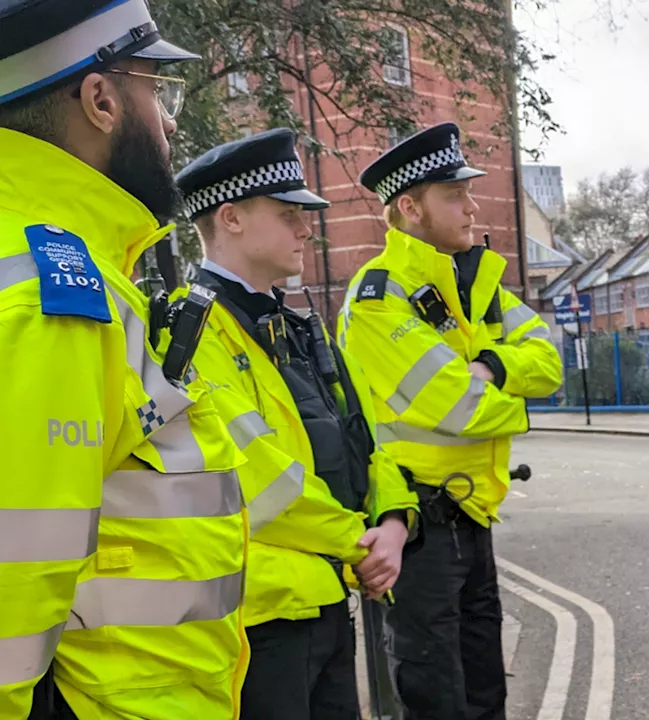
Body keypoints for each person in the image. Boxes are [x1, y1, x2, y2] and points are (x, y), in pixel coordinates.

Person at [0, 1, 253, 718]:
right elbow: (11, 594)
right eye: (158, 90)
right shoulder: (55, 292)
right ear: (101, 99)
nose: (170, 123)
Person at [172, 128, 422, 719]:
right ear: (230, 218)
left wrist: (393, 520)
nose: (307, 228)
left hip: (329, 597)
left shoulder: (302, 325)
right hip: (262, 619)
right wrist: (360, 544)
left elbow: (366, 439)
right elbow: (256, 478)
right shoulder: (191, 334)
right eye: (289, 215)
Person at [336, 121, 563, 720]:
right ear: (410, 208)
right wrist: (507, 396)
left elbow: (550, 361)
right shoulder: (379, 299)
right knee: (433, 696)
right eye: (454, 195)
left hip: (472, 516)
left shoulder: (476, 286)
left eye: (469, 192)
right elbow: (460, 407)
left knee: (486, 689)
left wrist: (486, 363)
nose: (472, 207)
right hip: (416, 528)